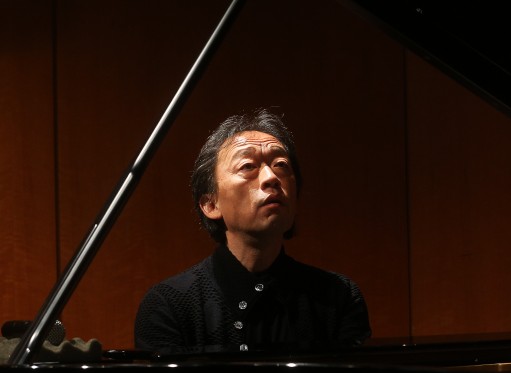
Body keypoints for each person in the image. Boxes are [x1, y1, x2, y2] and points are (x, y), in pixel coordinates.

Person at [134, 107, 371, 354]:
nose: (271, 177)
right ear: (211, 204)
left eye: (281, 165)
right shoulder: (170, 304)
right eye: (248, 166)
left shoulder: (339, 297)